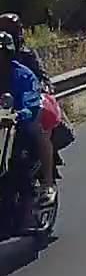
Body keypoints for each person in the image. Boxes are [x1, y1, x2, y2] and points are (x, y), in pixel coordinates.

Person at [0, 32, 55, 205]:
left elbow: (31, 102)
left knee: (20, 163)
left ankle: (45, 187)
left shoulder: (23, 75)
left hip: (19, 126)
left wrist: (18, 114)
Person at [0, 13, 49, 85]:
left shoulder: (27, 54)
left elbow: (41, 75)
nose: (18, 36)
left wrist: (45, 84)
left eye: (18, 30)